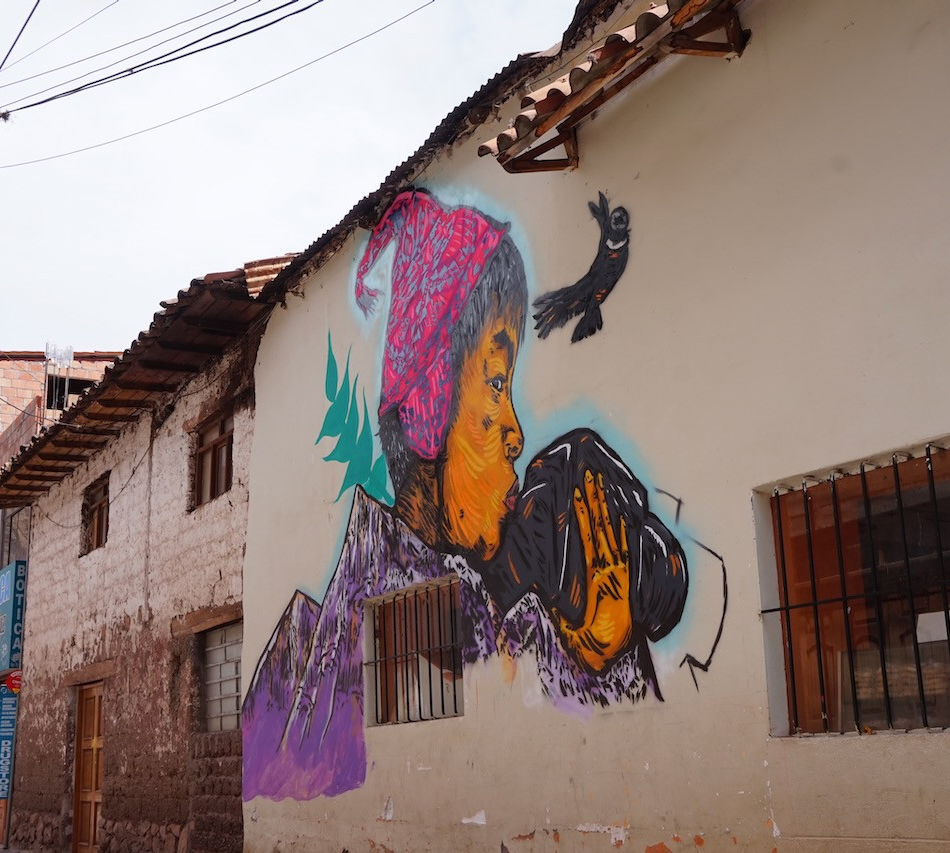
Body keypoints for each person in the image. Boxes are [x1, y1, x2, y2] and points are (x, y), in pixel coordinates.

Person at [243, 189, 687, 801]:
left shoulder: (495, 603)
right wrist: (593, 663)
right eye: (497, 382)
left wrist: (592, 647)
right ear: (428, 411)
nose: (517, 432)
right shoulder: (361, 648)